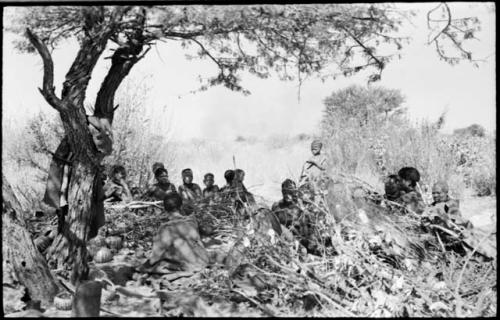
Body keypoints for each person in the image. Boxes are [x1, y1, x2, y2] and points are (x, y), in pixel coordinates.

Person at [139, 192, 209, 272]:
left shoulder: (166, 228)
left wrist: (144, 266)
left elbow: (155, 257)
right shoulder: (192, 221)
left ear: (164, 209)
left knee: (160, 261)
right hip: (204, 260)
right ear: (181, 206)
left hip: (190, 265)